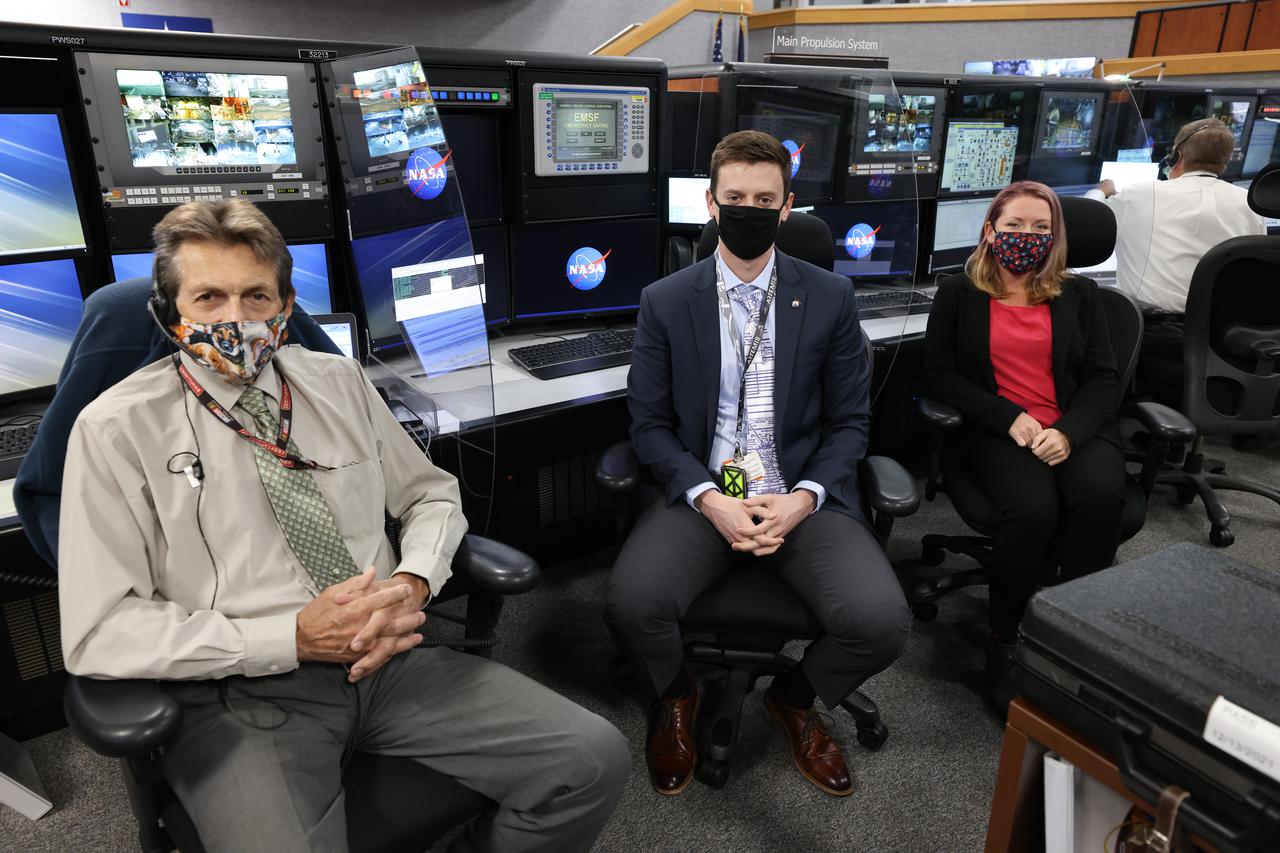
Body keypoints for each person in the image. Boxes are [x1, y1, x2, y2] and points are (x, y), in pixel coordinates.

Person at [56, 199, 628, 853]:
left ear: (286, 305)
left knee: (591, 759)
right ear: (168, 312)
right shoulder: (113, 430)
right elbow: (100, 630)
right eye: (208, 297)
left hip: (391, 660)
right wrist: (289, 636)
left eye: (256, 295)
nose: (236, 319)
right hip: (240, 694)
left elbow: (432, 496)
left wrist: (414, 580)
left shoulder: (338, 380)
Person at [605, 131, 910, 798]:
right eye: (735, 197)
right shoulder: (666, 299)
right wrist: (709, 498)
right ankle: (677, 696)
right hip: (705, 492)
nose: (749, 208)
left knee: (882, 622)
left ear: (788, 206)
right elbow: (650, 425)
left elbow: (850, 424)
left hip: (798, 497)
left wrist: (802, 497)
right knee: (632, 604)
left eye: (764, 199)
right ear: (711, 203)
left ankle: (795, 699)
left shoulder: (829, 296)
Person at [924, 181, 1125, 715]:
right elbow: (940, 375)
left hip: (1072, 426)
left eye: (1041, 228)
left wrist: (1070, 432)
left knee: (1102, 496)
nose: (1026, 237)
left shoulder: (1081, 295)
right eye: (1014, 226)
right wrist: (1010, 416)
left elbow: (1103, 378)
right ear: (991, 230)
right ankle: (1005, 638)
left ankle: (1071, 635)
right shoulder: (958, 292)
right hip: (1000, 431)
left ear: (1056, 238)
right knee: (1033, 510)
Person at [1086, 118, 1266, 406]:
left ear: (1177, 157)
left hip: (1152, 337)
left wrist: (1101, 190)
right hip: (1224, 342)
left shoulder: (1141, 195)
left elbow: (1088, 223)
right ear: (1226, 163)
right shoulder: (1251, 207)